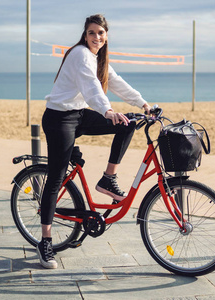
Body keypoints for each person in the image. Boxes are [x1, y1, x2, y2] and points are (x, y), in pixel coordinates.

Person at [37, 14, 151, 269]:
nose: (96, 37)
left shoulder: (98, 58)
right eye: (91, 33)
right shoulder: (79, 54)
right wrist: (107, 110)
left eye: (100, 33)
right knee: (55, 177)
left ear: (106, 35)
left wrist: (143, 104)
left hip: (78, 115)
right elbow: (92, 87)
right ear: (84, 35)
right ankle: (45, 241)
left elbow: (116, 83)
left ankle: (108, 178)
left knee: (128, 123)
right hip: (59, 119)